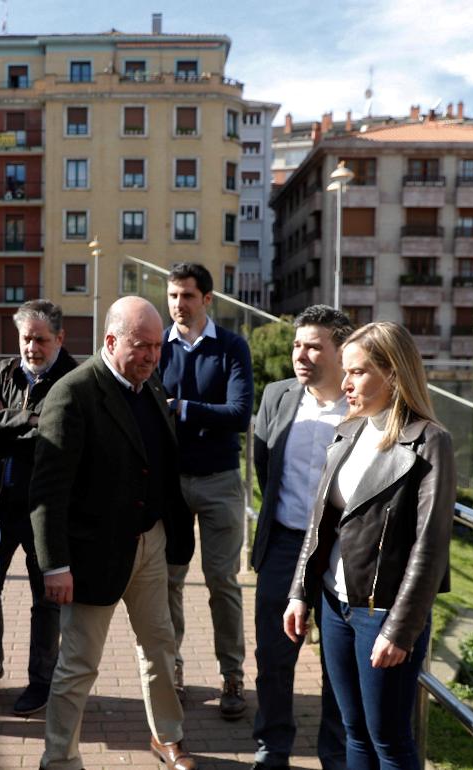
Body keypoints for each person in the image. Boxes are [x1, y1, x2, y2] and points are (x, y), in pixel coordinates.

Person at [31, 296, 197, 770]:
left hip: (150, 544)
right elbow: (48, 491)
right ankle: (59, 758)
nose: (150, 356)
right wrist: (55, 565)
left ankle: (168, 737)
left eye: (157, 347)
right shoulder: (74, 393)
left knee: (160, 648)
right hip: (91, 558)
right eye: (140, 346)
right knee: (79, 666)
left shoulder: (150, 386)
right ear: (110, 340)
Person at [284, 321, 455, 770]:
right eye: (345, 371)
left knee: (390, 740)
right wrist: (301, 592)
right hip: (334, 606)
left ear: (393, 374)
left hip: (382, 613)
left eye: (357, 372)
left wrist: (401, 628)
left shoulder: (429, 442)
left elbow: (430, 547)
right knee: (352, 730)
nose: (344, 384)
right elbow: (320, 523)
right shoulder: (348, 432)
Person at [250, 305, 352, 770]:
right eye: (297, 344)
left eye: (314, 346)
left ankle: (334, 752)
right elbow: (262, 465)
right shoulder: (277, 396)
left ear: (340, 351)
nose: (301, 354)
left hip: (342, 554)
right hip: (285, 544)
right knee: (273, 657)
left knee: (337, 663)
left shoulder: (363, 406)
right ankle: (273, 746)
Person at [0, 299, 78, 715]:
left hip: (45, 509)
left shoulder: (73, 378)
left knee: (45, 598)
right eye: (26, 338)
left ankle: (41, 681)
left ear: (60, 339)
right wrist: (30, 420)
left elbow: (59, 437)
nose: (31, 347)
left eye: (40, 340)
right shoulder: (3, 372)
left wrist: (8, 421)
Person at [157, 262, 253, 718]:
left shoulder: (232, 347)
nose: (178, 304)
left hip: (219, 482)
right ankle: (173, 670)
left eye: (188, 296)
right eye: (173, 295)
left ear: (207, 300)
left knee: (222, 581)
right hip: (170, 484)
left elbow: (238, 413)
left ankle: (232, 674)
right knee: (169, 581)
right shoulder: (157, 346)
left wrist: (183, 408)